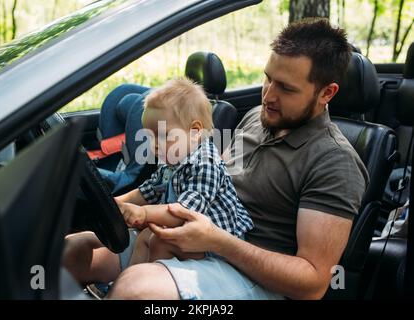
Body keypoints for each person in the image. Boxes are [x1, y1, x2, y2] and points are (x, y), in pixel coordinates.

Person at [63, 18, 369, 300]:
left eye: (286, 88)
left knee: (136, 289)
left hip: (254, 279)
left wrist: (217, 241)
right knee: (67, 253)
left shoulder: (336, 162)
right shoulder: (257, 118)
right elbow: (208, 179)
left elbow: (313, 283)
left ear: (327, 93)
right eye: (268, 79)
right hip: (201, 244)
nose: (268, 96)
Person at [115, 77, 253, 266]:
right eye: (149, 136)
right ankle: (128, 279)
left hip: (217, 248)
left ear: (195, 131)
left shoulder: (206, 164)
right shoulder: (174, 157)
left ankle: (152, 282)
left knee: (160, 241)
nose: (153, 145)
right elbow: (149, 190)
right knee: (146, 235)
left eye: (163, 135)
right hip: (189, 232)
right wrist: (118, 203)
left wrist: (144, 213)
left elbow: (184, 213)